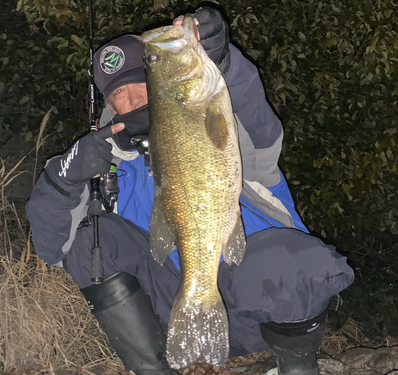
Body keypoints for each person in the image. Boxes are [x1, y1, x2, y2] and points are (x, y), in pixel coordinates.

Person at [26, 6, 354, 375]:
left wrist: (223, 60)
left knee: (293, 258)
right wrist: (65, 175)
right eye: (118, 92)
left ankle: (296, 369)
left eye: (141, 79)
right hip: (175, 316)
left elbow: (261, 134)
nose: (132, 99)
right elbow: (53, 251)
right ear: (109, 104)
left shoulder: (220, 118)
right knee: (93, 241)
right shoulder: (104, 165)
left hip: (258, 306)